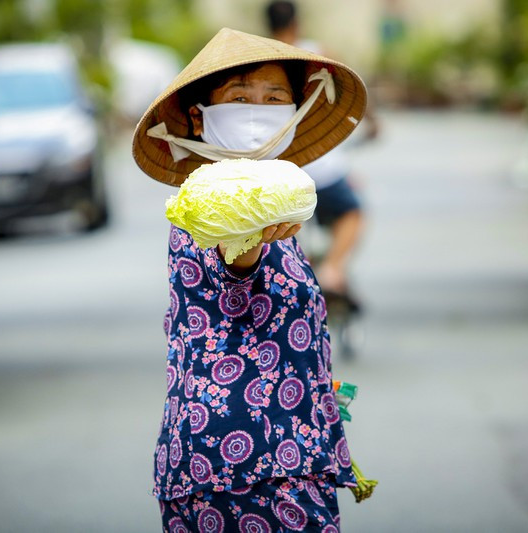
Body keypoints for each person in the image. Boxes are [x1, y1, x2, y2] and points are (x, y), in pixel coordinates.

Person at [132, 27, 369, 531]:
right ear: (199, 117)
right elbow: (235, 268)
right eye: (239, 97)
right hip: (251, 468)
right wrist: (249, 243)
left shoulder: (263, 196)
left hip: (266, 454)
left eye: (274, 98)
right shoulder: (216, 205)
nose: (258, 109)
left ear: (294, 112)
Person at [265, 0, 376, 303]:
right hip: (320, 168)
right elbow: (357, 92)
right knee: (352, 212)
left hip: (272, 169)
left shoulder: (257, 58)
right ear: (297, 24)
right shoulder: (319, 53)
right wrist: (374, 125)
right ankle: (332, 269)